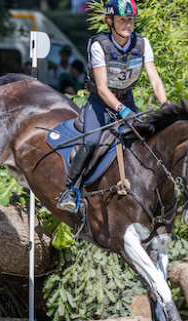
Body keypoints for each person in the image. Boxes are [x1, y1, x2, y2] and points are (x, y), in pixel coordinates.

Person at [56, 0, 168, 213]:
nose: (128, 25)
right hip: (100, 103)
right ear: (110, 21)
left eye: (131, 20)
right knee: (90, 141)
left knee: (145, 139)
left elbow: (155, 79)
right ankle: (70, 190)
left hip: (127, 99)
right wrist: (122, 110)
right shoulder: (99, 45)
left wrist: (164, 104)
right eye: (122, 20)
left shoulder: (143, 44)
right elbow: (102, 88)